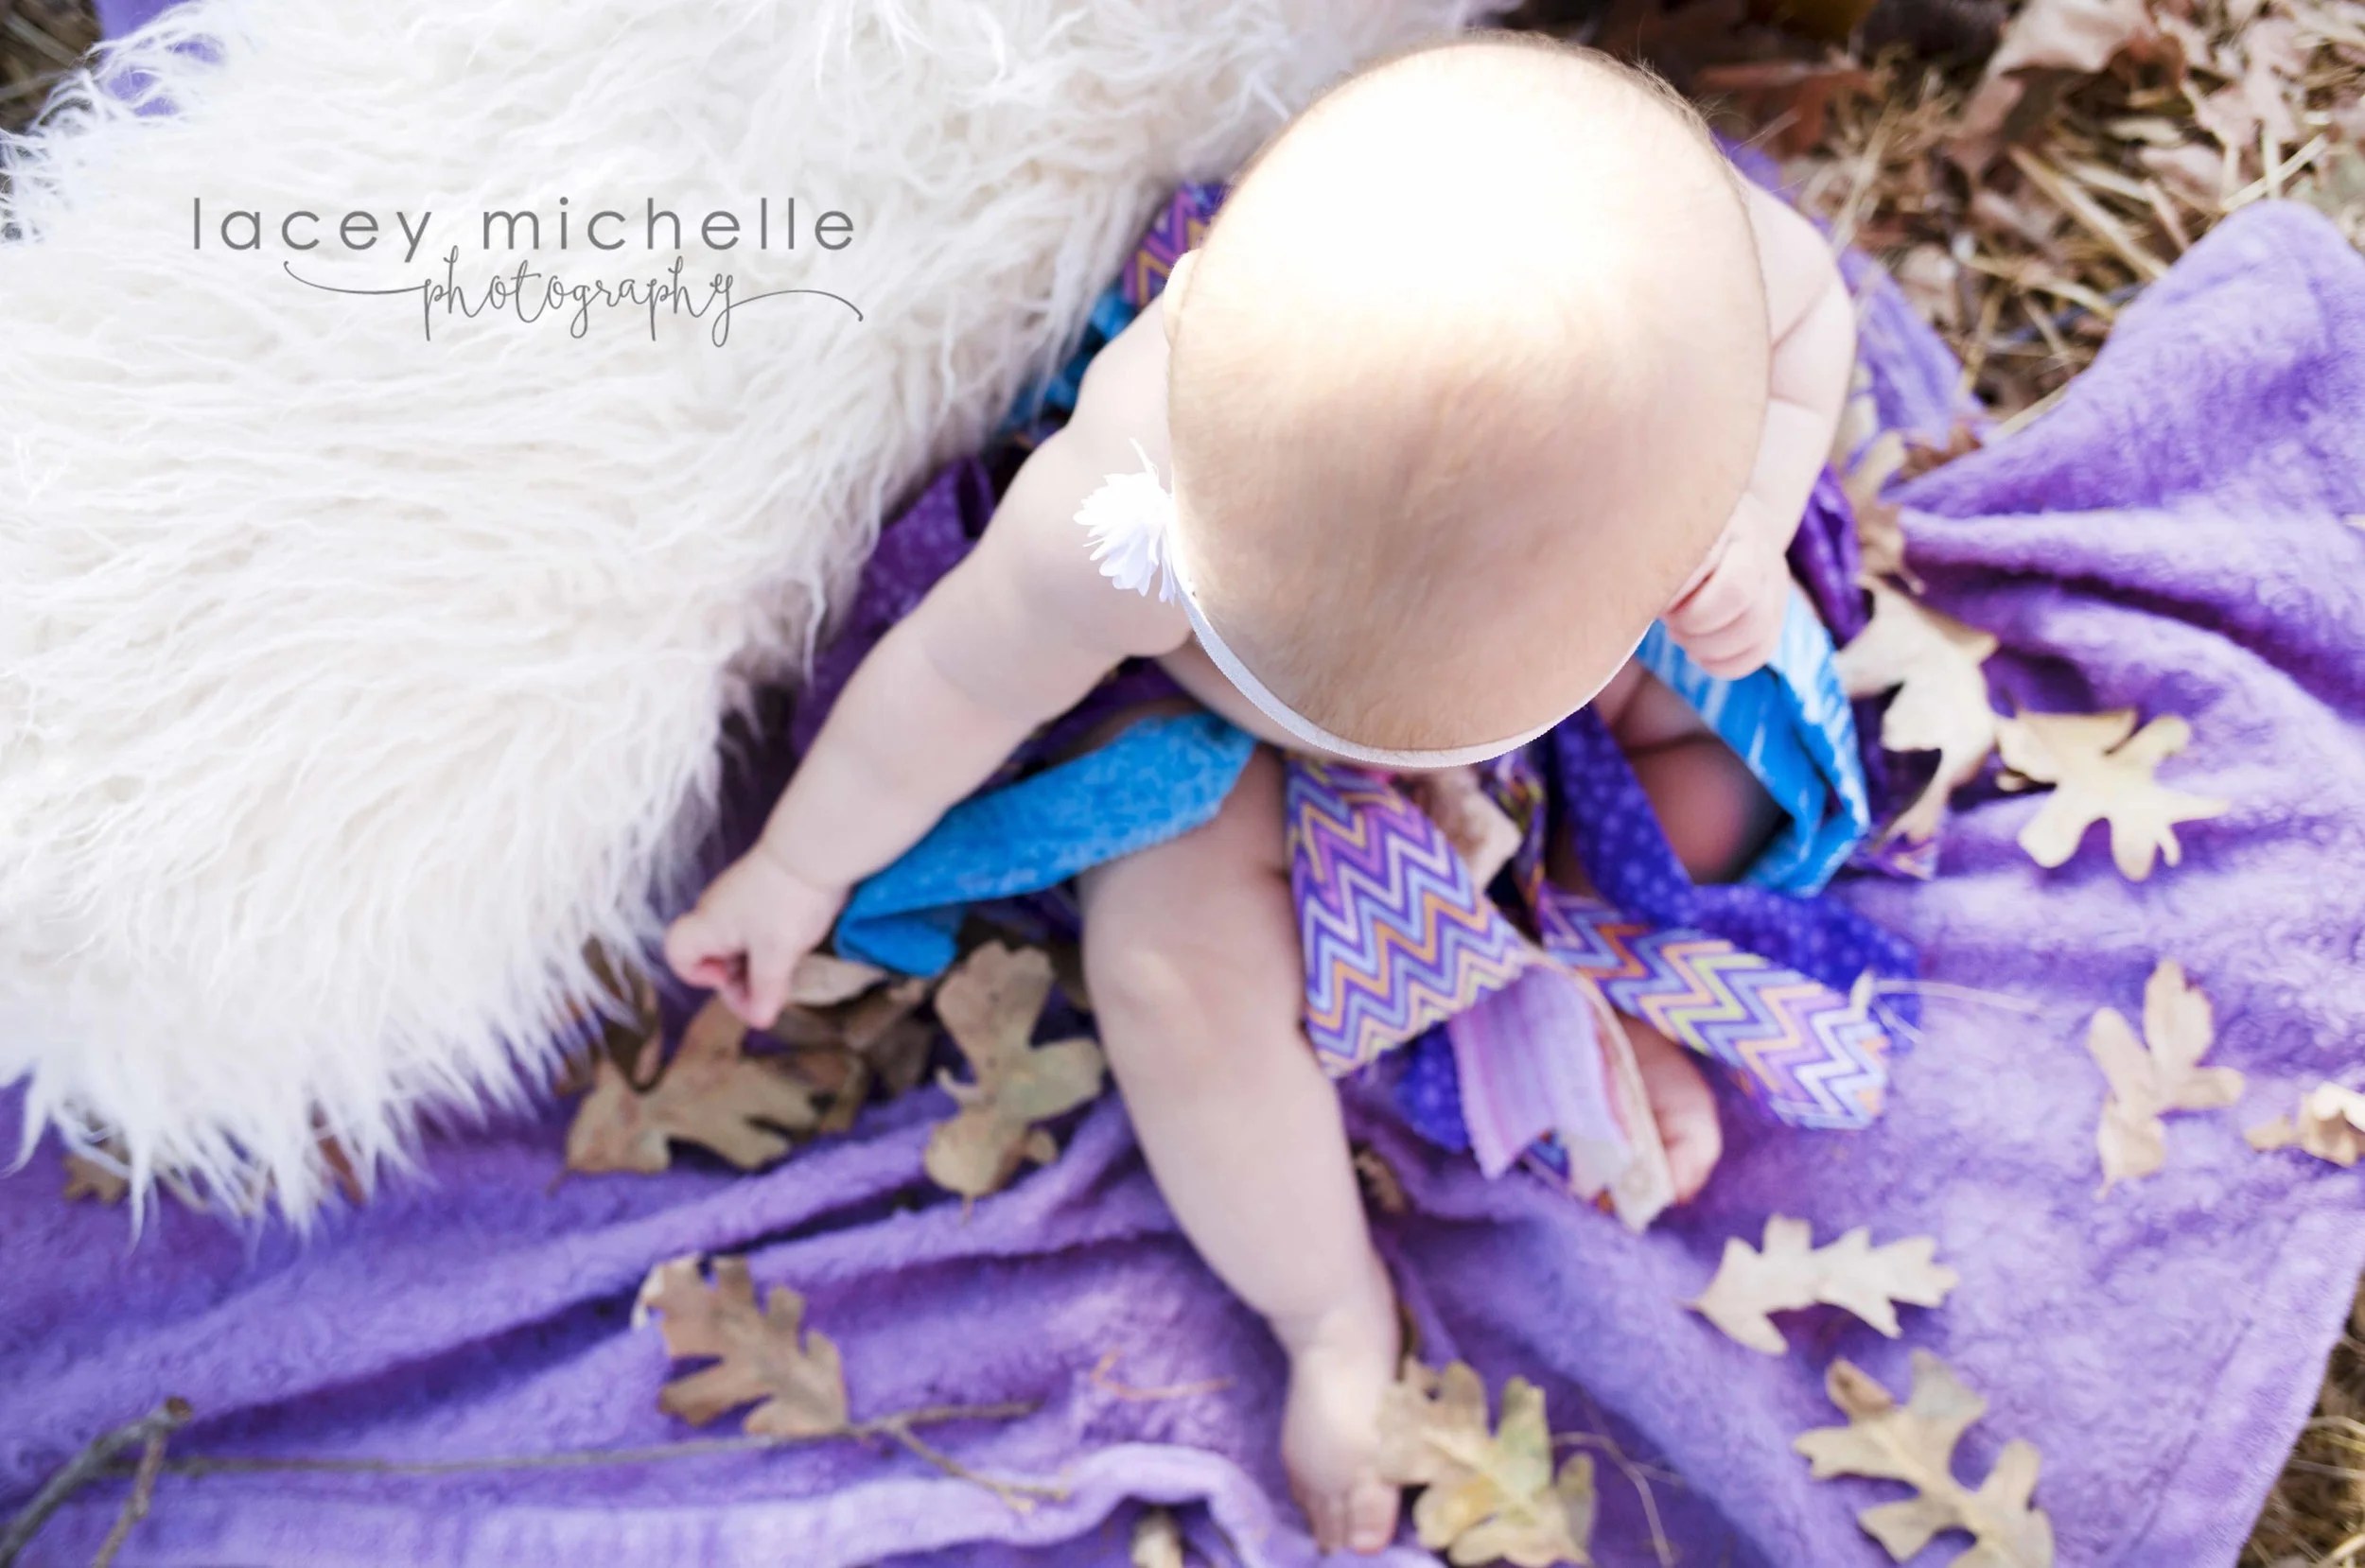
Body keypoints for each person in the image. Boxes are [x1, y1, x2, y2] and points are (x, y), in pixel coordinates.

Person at [667, 32, 1853, 1555]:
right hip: (1200, 729)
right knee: (1175, 972)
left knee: (1737, 763)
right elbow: (951, 685)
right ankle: (1330, 1312)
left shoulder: (1658, 259)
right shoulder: (1129, 517)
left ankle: (1580, 948)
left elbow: (1805, 307)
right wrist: (796, 869)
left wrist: (1742, 519)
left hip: (1572, 536)